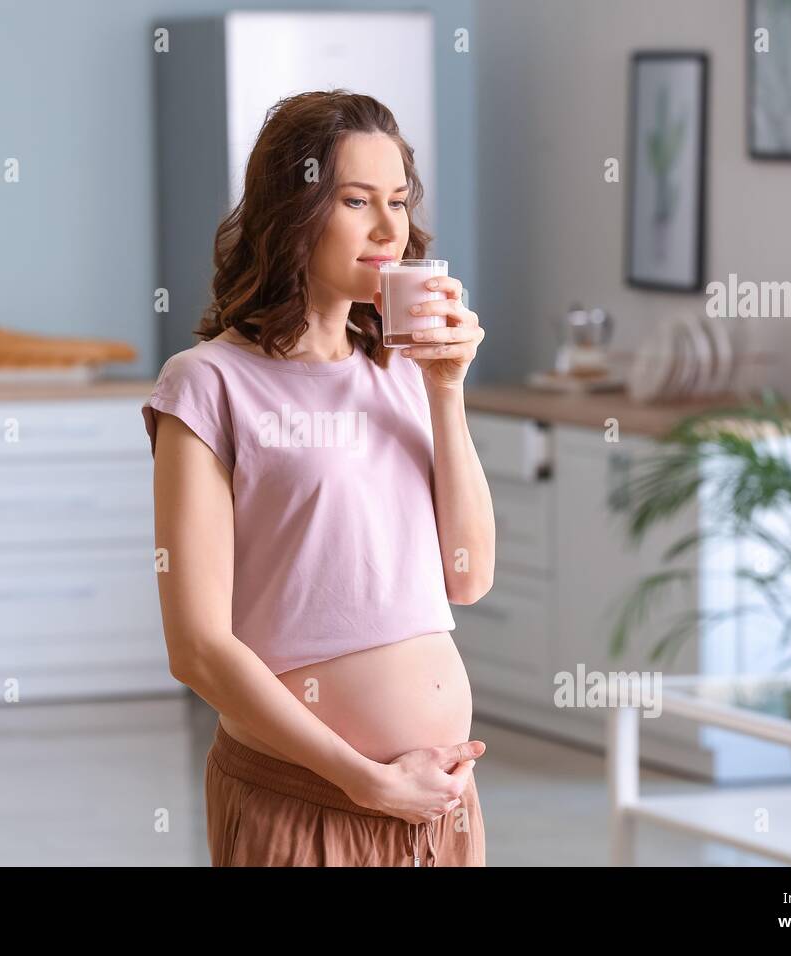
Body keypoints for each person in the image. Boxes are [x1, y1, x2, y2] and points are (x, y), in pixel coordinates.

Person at [141, 90, 494, 866]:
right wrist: (364, 780)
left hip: (438, 809)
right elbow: (196, 646)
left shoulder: (406, 372)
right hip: (310, 798)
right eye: (356, 200)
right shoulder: (207, 385)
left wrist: (447, 388)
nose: (387, 229)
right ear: (293, 211)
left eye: (398, 202)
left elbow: (468, 577)